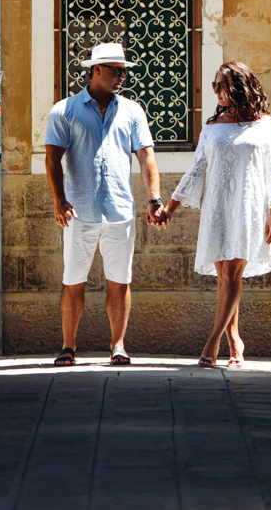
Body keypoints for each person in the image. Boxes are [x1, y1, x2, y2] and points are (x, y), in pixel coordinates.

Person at [44, 42, 166, 366]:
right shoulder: (65, 110)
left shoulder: (132, 111)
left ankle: (118, 346)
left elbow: (146, 157)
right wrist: (59, 200)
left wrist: (154, 198)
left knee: (120, 281)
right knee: (73, 281)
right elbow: (52, 159)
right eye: (116, 71)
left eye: (124, 71)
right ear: (96, 70)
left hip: (119, 211)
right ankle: (68, 346)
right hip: (78, 211)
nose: (122, 77)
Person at [160, 60, 271, 368]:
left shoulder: (266, 125)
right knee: (223, 279)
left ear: (240, 88)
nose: (216, 91)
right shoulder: (212, 128)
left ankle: (212, 342)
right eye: (215, 85)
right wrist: (170, 208)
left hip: (248, 207)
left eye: (222, 85)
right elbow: (196, 170)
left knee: (231, 275)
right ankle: (235, 343)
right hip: (216, 207)